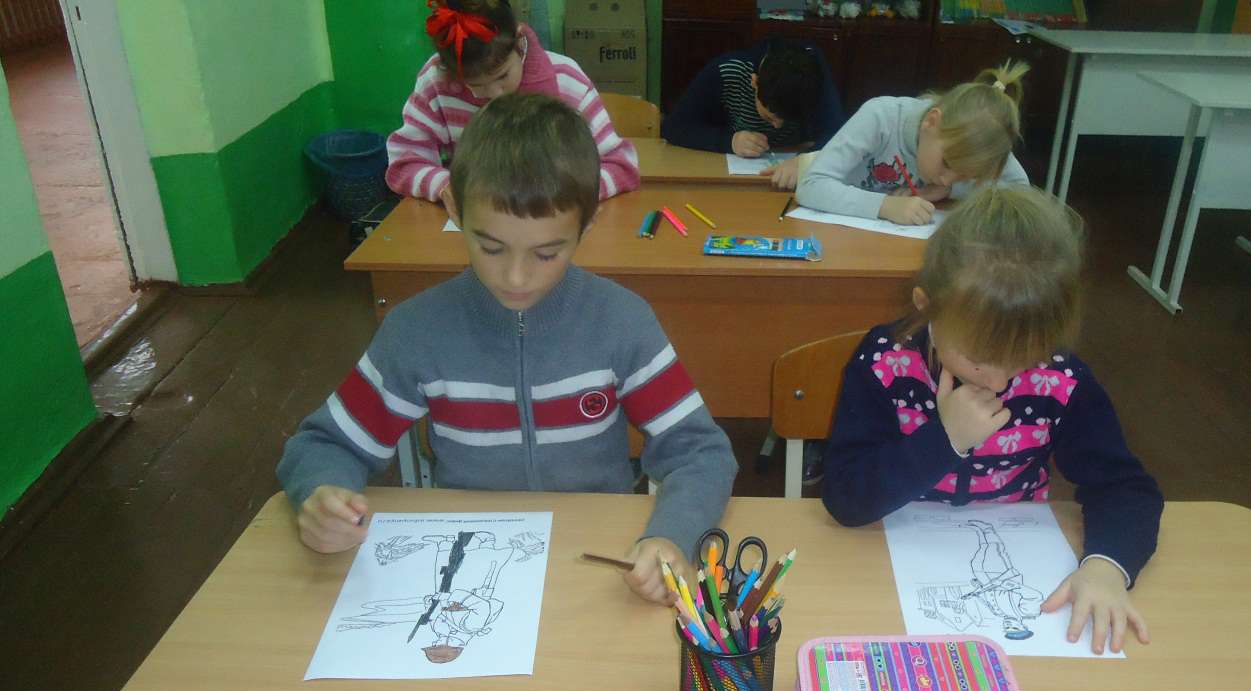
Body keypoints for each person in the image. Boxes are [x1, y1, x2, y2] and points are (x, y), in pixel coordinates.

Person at [280, 93, 737, 604]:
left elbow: (700, 452)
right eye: (491, 247)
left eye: (546, 253)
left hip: (597, 568)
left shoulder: (621, 322)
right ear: (455, 210)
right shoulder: (417, 330)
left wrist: (672, 536)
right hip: (466, 570)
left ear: (586, 227)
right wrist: (320, 494)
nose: (516, 277)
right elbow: (323, 445)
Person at [821, 185, 1163, 654]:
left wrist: (1107, 566)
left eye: (1024, 358)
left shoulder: (1059, 379)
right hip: (883, 559)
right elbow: (845, 498)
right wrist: (944, 439)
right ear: (925, 306)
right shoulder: (885, 363)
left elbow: (1125, 487)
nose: (1001, 381)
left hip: (1017, 563)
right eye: (981, 359)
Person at [385, 0, 639, 222]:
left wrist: (567, 196)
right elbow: (404, 162)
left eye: (502, 76)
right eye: (475, 85)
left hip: (553, 227)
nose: (496, 94)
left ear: (519, 42)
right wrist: (445, 187)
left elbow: (621, 165)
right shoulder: (436, 82)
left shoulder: (567, 81)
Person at [796, 62, 1031, 226]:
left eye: (964, 175)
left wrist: (952, 190)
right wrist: (885, 206)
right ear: (931, 121)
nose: (947, 179)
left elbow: (1021, 193)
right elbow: (811, 185)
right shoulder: (881, 117)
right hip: (845, 240)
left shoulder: (986, 138)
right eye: (947, 164)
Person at [661, 38, 845, 190]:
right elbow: (673, 128)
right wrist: (729, 141)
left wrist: (805, 161)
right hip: (734, 182)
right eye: (769, 117)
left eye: (787, 120)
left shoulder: (812, 73)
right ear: (754, 83)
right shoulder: (728, 70)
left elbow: (840, 136)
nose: (777, 126)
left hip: (792, 181)